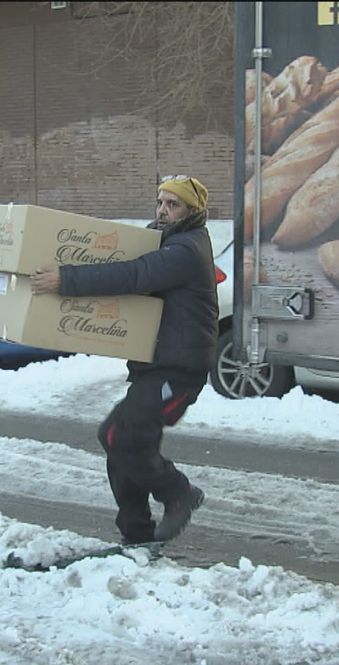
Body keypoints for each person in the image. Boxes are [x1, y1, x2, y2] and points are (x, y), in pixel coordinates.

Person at [30, 175, 219, 544]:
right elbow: (123, 256)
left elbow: (134, 274)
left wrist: (64, 279)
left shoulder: (186, 249)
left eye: (173, 205)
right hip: (155, 365)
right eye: (160, 202)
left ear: (193, 211)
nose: (163, 210)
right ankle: (137, 533)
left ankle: (178, 493)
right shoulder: (164, 238)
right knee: (121, 445)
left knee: (119, 436)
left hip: (180, 370)